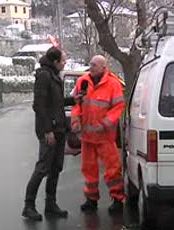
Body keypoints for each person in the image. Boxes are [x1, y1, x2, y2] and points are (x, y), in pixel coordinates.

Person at [71, 55, 126, 214]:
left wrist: (106, 123)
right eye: (90, 64)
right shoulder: (82, 81)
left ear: (103, 67)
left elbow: (118, 106)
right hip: (87, 136)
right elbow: (77, 105)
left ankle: (117, 200)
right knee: (88, 169)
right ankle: (91, 199)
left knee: (112, 169)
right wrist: (75, 121)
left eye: (95, 65)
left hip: (105, 136)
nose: (91, 67)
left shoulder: (113, 84)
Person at [22, 47, 72, 221]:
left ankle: (51, 204)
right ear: (55, 61)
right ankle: (28, 206)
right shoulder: (44, 76)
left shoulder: (53, 75)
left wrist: (75, 99)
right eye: (63, 60)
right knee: (43, 168)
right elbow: (39, 105)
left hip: (59, 128)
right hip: (49, 130)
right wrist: (47, 130)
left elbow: (56, 103)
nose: (65, 63)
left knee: (56, 168)